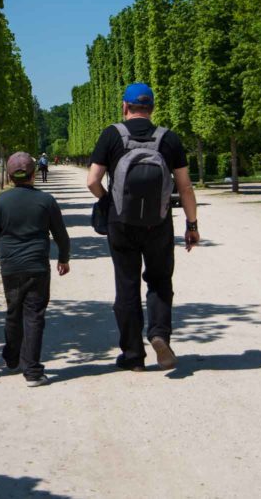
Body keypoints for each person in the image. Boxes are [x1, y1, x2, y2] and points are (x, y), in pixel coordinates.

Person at [86, 83, 200, 372]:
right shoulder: (168, 139)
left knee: (126, 286)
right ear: (152, 108)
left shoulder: (112, 135)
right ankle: (160, 334)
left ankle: (133, 356)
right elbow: (185, 187)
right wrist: (192, 225)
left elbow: (92, 181)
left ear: (125, 107)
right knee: (160, 281)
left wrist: (108, 201)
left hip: (121, 223)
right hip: (158, 222)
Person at [0, 152, 71, 387]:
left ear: (11, 176)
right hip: (37, 265)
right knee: (34, 315)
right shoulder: (46, 200)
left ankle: (12, 357)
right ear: (33, 174)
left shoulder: (0, 202)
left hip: (10, 266)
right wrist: (63, 258)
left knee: (14, 311)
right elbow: (60, 235)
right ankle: (32, 371)